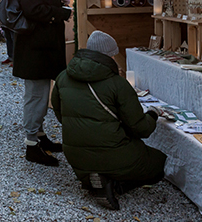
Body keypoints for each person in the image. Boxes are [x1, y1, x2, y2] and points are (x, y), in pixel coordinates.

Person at [52, 31, 166, 210]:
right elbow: (140, 129)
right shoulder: (117, 83)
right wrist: (153, 114)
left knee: (104, 155)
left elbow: (60, 115)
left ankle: (95, 179)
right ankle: (113, 184)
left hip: (75, 155)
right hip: (112, 153)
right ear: (108, 56)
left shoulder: (63, 77)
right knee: (158, 164)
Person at [11, 0, 73, 166]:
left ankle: (39, 136)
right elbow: (33, 8)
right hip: (35, 48)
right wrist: (61, 13)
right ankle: (32, 145)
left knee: (39, 93)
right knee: (37, 96)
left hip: (37, 47)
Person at [1, 0, 22, 65]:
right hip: (6, 12)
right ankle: (11, 56)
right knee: (8, 36)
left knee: (13, 37)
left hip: (12, 13)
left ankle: (16, 58)